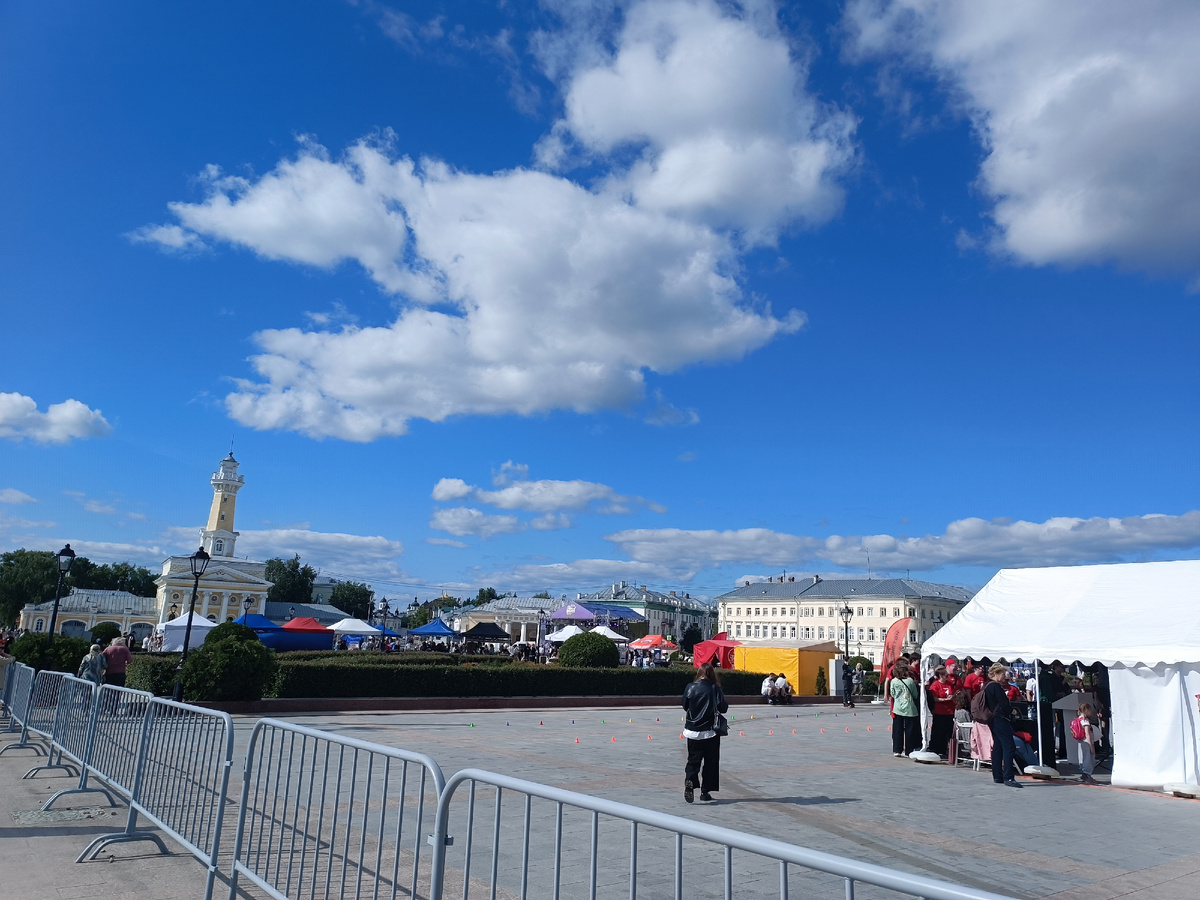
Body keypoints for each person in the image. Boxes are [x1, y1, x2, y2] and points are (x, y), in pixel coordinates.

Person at [682, 663, 727, 803]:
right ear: (712, 674)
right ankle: (705, 791)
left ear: (699, 673)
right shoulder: (715, 688)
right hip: (710, 732)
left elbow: (685, 706)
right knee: (710, 762)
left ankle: (690, 780)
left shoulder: (690, 687)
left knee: (693, 760)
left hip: (692, 731)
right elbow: (723, 708)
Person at [985, 663, 1021, 787]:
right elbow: (1004, 703)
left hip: (992, 719)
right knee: (1009, 746)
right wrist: (1012, 711)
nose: (1003, 676)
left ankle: (998, 775)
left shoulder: (987, 685)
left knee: (998, 747)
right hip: (1000, 719)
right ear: (996, 674)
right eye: (1002, 674)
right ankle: (1008, 776)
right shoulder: (996, 686)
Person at [889, 660, 921, 756]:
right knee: (909, 730)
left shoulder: (893, 681)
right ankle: (909, 750)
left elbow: (893, 694)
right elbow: (915, 695)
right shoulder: (910, 681)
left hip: (898, 708)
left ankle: (897, 750)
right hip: (909, 708)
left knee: (897, 730)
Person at [928, 665, 956, 758]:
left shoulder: (949, 684)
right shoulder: (935, 685)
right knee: (939, 731)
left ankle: (945, 749)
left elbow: (952, 693)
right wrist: (945, 700)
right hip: (940, 711)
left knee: (948, 731)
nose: (947, 677)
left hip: (950, 711)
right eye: (945, 675)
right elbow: (935, 699)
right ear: (941, 676)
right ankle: (936, 748)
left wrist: (953, 697)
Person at [1074, 701, 1099, 784]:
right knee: (1089, 758)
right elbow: (1087, 734)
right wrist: (1091, 746)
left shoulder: (1078, 719)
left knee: (1083, 757)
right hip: (1087, 742)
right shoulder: (1085, 721)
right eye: (1090, 710)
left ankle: (1084, 773)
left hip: (1081, 741)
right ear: (1086, 710)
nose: (1091, 712)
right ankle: (1087, 774)